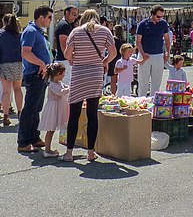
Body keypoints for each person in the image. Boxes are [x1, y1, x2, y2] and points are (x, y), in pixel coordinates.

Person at [62, 9, 116, 162]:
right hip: (95, 74)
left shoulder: (76, 32)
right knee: (92, 114)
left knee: (74, 114)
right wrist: (104, 61)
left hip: (79, 73)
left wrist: (75, 57)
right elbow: (113, 52)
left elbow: (67, 54)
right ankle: (91, 152)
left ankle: (69, 153)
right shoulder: (105, 31)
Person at [18, 5, 53, 153]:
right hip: (34, 73)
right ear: (41, 17)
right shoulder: (31, 31)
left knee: (36, 107)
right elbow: (25, 52)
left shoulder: (37, 31)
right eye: (49, 17)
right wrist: (40, 63)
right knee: (30, 108)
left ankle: (34, 137)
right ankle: (23, 141)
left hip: (40, 73)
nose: (51, 21)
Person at [0, 13, 23, 128]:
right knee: (18, 89)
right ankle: (20, 113)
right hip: (18, 63)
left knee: (6, 91)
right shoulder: (19, 35)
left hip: (4, 63)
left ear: (4, 22)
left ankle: (5, 116)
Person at [136, 4, 171, 96]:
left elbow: (167, 39)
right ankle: (141, 101)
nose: (160, 18)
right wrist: (143, 54)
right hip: (145, 55)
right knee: (143, 82)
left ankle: (154, 102)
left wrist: (167, 52)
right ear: (152, 14)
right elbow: (138, 41)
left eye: (161, 16)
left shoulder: (163, 24)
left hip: (158, 55)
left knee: (157, 81)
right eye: (158, 16)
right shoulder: (143, 24)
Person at [37, 62, 69, 158]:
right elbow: (60, 92)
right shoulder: (52, 84)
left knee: (52, 129)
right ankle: (47, 150)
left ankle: (48, 149)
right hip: (53, 109)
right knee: (51, 129)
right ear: (58, 74)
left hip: (58, 107)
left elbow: (64, 87)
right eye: (63, 73)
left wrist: (68, 87)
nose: (64, 75)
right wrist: (70, 89)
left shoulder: (58, 83)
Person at [54, 6, 78, 86]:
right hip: (65, 61)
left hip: (64, 60)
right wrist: (70, 58)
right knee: (66, 88)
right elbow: (64, 44)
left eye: (76, 15)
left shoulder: (66, 25)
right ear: (67, 13)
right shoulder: (64, 25)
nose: (75, 17)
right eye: (73, 14)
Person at [108, 24, 126, 95]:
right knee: (122, 79)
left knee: (113, 80)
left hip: (113, 59)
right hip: (121, 59)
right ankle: (121, 93)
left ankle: (113, 94)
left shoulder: (113, 39)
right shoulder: (123, 40)